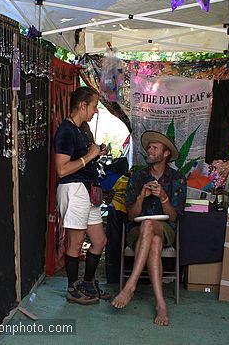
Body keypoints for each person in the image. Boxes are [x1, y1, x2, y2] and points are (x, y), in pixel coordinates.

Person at [111, 130, 187, 326]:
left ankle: (130, 286)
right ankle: (161, 305)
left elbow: (173, 216)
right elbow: (130, 216)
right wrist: (140, 198)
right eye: (149, 148)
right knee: (153, 240)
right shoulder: (138, 177)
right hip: (138, 229)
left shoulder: (177, 178)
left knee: (151, 226)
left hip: (166, 228)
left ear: (166, 154)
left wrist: (163, 197)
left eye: (155, 148)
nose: (149, 151)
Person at [54, 86, 112, 305]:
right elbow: (61, 169)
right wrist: (89, 156)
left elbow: (84, 159)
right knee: (76, 243)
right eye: (95, 106)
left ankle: (87, 283)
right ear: (83, 105)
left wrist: (96, 153)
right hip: (73, 188)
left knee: (99, 240)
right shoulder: (66, 131)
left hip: (87, 189)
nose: (96, 111)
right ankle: (72, 288)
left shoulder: (80, 129)